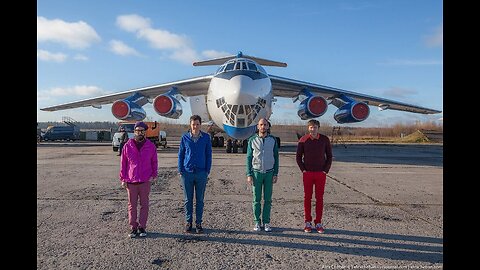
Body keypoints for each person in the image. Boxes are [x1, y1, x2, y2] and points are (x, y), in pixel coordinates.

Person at [119, 121, 158, 238]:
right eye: (137, 130)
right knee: (132, 205)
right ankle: (133, 227)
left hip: (145, 180)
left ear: (145, 132)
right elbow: (123, 164)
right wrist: (123, 178)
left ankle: (142, 227)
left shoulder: (150, 146)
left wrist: (154, 175)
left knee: (144, 205)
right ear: (134, 131)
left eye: (141, 131)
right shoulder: (128, 146)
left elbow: (154, 162)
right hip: (131, 181)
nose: (139, 133)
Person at [296, 119, 332, 234]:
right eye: (311, 127)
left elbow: (330, 156)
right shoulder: (303, 140)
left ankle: (318, 222)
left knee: (319, 198)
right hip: (308, 174)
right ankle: (307, 222)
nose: (313, 129)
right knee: (307, 198)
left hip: (320, 173)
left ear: (318, 128)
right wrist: (303, 170)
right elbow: (298, 157)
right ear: (308, 128)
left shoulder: (324, 140)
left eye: (315, 127)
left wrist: (325, 171)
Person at [178, 115, 212, 234]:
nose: (195, 126)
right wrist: (180, 169)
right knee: (188, 200)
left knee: (200, 200)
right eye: (193, 124)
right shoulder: (185, 138)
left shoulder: (206, 138)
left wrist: (207, 170)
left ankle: (198, 223)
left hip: (201, 173)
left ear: (200, 125)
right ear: (190, 125)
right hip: (187, 173)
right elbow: (181, 154)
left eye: (197, 124)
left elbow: (208, 154)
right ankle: (188, 222)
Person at [246, 118, 279, 232]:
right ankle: (256, 222)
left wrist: (275, 173)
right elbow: (249, 157)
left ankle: (266, 222)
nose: (263, 127)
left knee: (268, 199)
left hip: (269, 173)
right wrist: (249, 174)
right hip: (256, 173)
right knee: (256, 199)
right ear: (257, 127)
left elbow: (276, 157)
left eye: (265, 125)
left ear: (268, 126)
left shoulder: (273, 140)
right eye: (261, 125)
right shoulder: (252, 140)